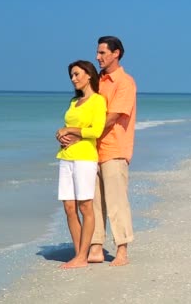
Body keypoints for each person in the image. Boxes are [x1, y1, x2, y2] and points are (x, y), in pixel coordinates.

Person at [60, 36, 137, 266]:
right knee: (92, 201)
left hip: (114, 148)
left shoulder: (125, 82)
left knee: (116, 201)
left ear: (116, 53)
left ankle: (122, 250)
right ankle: (95, 247)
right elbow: (86, 108)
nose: (98, 57)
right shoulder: (97, 81)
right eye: (97, 52)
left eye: (102, 53)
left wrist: (75, 132)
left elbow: (111, 117)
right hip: (91, 151)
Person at [55, 60, 107, 269]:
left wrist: (70, 131)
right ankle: (79, 254)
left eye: (77, 74)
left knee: (85, 206)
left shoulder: (98, 101)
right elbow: (67, 127)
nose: (73, 78)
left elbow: (96, 131)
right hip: (66, 156)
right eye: (71, 76)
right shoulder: (73, 102)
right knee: (68, 207)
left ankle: (82, 256)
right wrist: (60, 134)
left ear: (88, 75)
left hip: (85, 157)